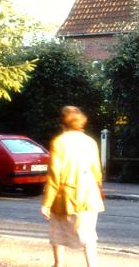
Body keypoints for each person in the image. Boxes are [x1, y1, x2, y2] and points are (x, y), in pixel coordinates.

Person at [41, 106, 105, 267]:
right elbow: (97, 172)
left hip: (66, 196)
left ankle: (58, 264)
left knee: (58, 232)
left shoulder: (59, 142)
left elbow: (55, 175)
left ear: (63, 123)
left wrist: (47, 203)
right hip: (89, 195)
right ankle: (92, 265)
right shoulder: (90, 142)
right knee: (89, 234)